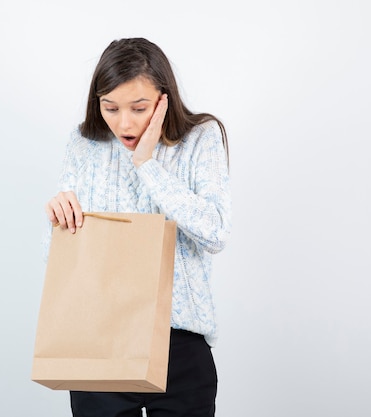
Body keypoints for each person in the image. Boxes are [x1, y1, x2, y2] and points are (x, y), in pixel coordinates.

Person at [44, 38, 231, 417]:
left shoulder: (200, 139)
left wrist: (147, 164)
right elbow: (70, 257)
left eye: (139, 108)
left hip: (180, 349)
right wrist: (59, 217)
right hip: (99, 342)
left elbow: (215, 233)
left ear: (164, 100)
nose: (124, 123)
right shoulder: (84, 143)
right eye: (110, 107)